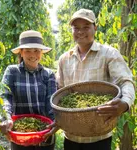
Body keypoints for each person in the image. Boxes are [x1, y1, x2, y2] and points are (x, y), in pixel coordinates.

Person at [49, 9, 135, 150]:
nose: (81, 32)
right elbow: (61, 92)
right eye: (76, 28)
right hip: (71, 135)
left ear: (95, 28)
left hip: (98, 135)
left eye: (86, 27)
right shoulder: (65, 59)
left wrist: (124, 104)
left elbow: (125, 81)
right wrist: (60, 119)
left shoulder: (109, 54)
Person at [0, 30, 57, 150]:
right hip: (20, 135)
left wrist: (53, 123)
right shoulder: (12, 71)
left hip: (44, 133)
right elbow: (5, 96)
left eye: (36, 50)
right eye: (28, 51)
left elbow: (50, 102)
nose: (32, 55)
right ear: (21, 52)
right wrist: (7, 118)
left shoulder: (48, 74)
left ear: (41, 52)